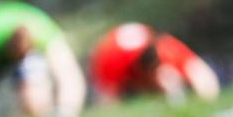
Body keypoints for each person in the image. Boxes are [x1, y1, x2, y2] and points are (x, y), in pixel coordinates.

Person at [88, 23, 219, 103]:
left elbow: (203, 77)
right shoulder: (111, 59)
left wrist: (207, 101)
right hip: (115, 65)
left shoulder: (168, 49)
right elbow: (107, 100)